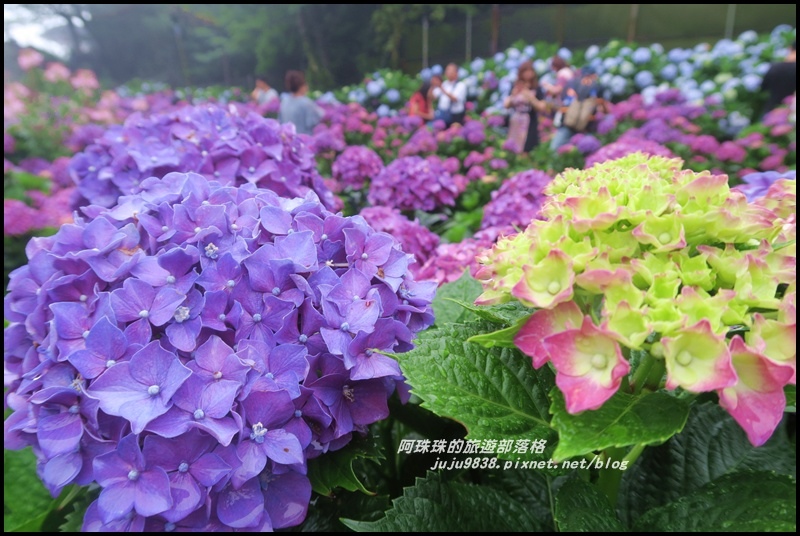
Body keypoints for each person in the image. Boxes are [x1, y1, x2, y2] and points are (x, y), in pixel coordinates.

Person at [549, 65, 609, 151]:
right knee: (590, 150)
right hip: (587, 127)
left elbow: (562, 103)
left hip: (567, 124)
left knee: (555, 149)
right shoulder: (598, 86)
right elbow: (604, 109)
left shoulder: (571, 83)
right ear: (594, 75)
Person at [503, 61, 548, 153]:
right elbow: (506, 105)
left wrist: (530, 98)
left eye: (530, 71)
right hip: (516, 121)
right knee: (513, 147)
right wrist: (513, 95)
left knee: (527, 148)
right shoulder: (515, 86)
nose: (528, 74)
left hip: (529, 122)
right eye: (525, 71)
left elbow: (542, 107)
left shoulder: (537, 88)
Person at [278, 70, 324, 135]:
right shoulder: (306, 102)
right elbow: (316, 119)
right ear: (302, 86)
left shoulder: (284, 102)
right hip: (304, 141)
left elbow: (281, 122)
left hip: (289, 141)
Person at [760, 40, 796, 117]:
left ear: (790, 48)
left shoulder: (774, 67)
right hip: (791, 114)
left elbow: (763, 88)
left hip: (771, 112)